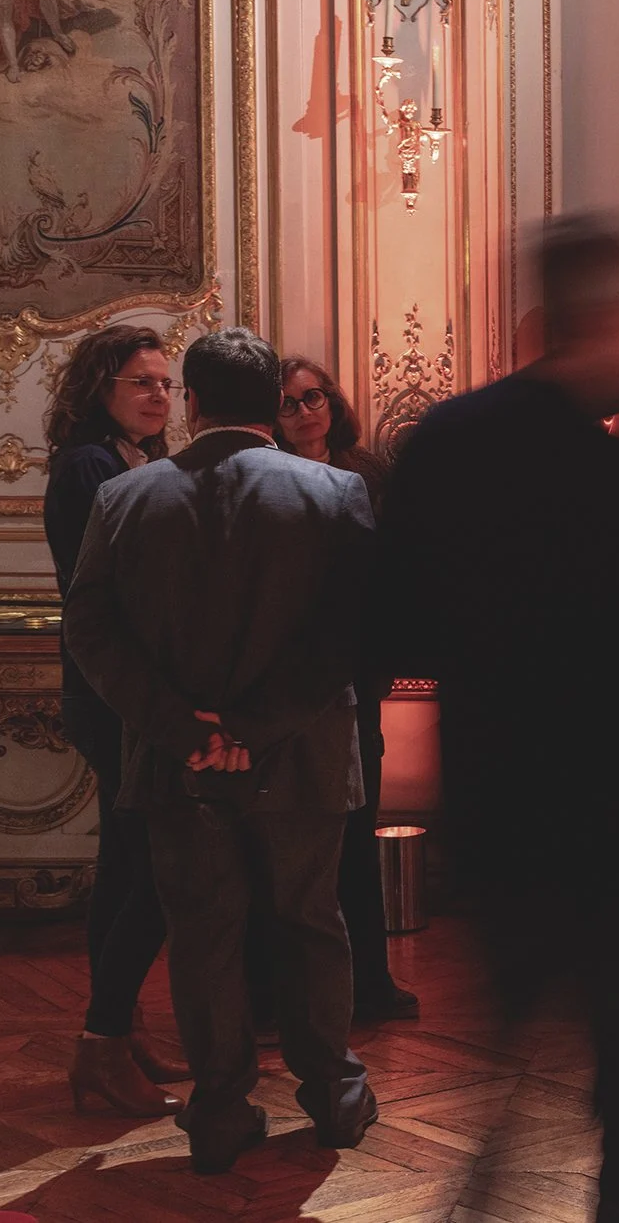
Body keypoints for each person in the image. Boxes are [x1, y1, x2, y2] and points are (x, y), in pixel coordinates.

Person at [379, 217, 619, 1223]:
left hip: (500, 799)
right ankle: (614, 1192)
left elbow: (398, 623)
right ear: (612, 315)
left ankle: (493, 1176)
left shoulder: (443, 444)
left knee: (514, 1023)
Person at [64, 328, 377, 1174]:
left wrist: (186, 730)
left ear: (194, 401)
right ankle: (333, 1094)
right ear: (273, 398)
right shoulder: (336, 493)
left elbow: (90, 630)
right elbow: (349, 634)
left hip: (179, 766)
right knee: (311, 925)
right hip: (303, 756)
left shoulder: (127, 500)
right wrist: (255, 727)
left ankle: (219, 1109)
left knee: (203, 935)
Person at [43, 325, 189, 1118]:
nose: (158, 395)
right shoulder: (90, 467)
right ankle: (101, 1044)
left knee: (127, 865)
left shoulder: (139, 461)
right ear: (102, 389)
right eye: (141, 381)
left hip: (125, 691)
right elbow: (109, 590)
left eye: (164, 382)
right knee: (152, 869)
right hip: (115, 694)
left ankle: (118, 1029)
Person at [271, 357, 417, 1023]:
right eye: (289, 403)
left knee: (359, 830)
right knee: (298, 840)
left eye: (314, 397)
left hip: (357, 671)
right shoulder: (266, 480)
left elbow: (394, 573)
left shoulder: (368, 474)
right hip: (289, 675)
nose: (304, 411)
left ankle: (370, 984)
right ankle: (300, 988)